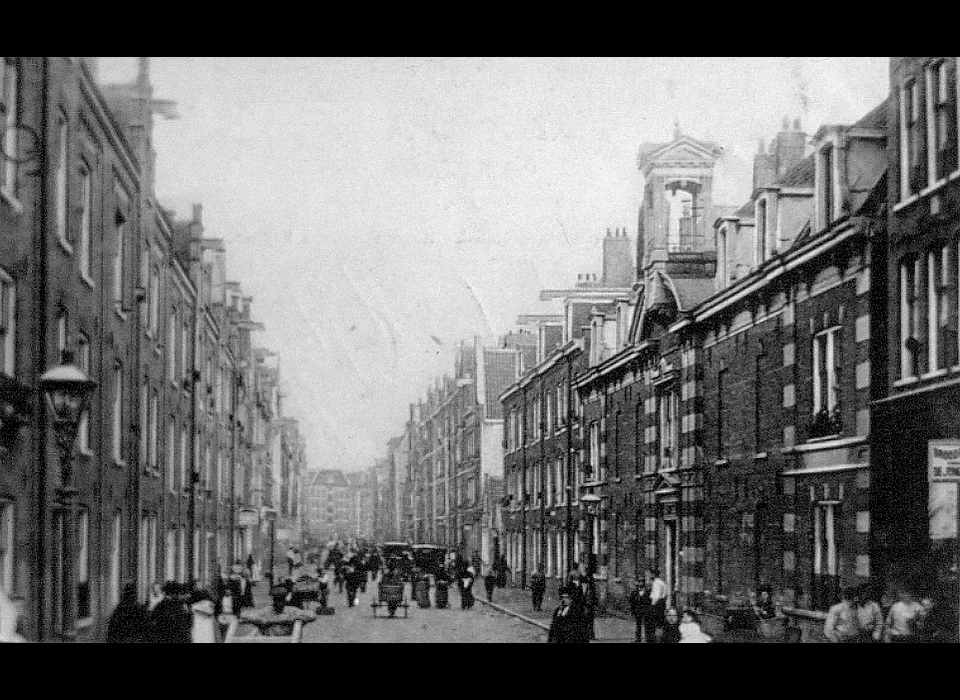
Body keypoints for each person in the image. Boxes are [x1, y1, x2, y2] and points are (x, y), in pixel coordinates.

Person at [646, 569, 667, 643]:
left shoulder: (656, 583)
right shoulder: (661, 582)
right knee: (659, 623)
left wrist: (652, 605)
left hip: (657, 604)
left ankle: (655, 640)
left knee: (653, 623)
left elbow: (657, 596)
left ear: (653, 575)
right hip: (661, 604)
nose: (650, 576)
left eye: (651, 574)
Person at [628, 577, 651, 643]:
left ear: (644, 583)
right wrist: (632, 611)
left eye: (642, 582)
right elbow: (631, 602)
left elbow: (650, 601)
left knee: (647, 625)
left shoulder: (648, 592)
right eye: (639, 582)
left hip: (646, 611)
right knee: (638, 626)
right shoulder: (634, 592)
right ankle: (638, 639)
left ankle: (647, 639)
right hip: (637, 611)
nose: (641, 583)